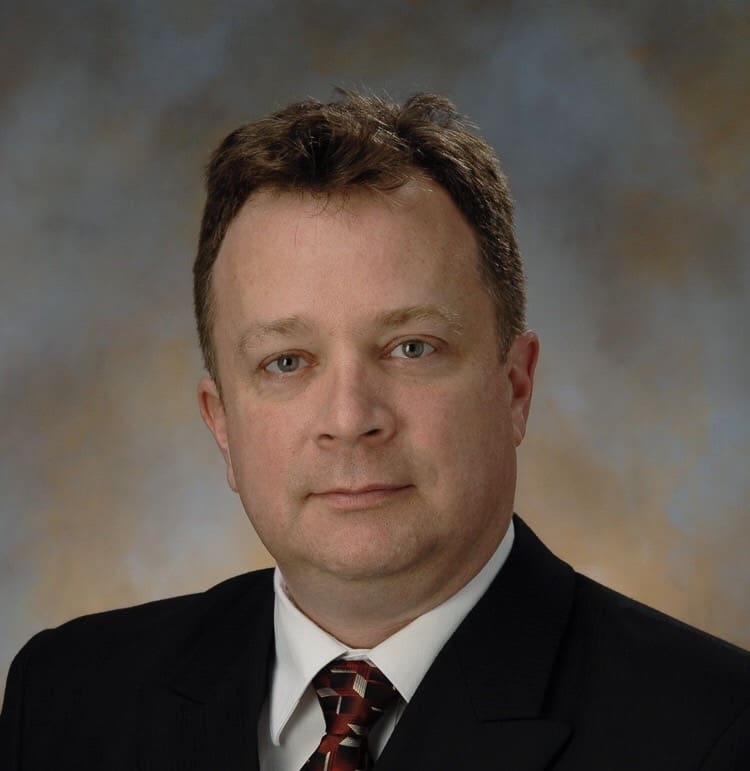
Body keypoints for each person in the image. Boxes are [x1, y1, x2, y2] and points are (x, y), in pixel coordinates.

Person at [1, 90, 748, 770]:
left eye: (411, 347)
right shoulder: (66, 699)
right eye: (286, 361)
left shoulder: (712, 731)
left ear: (514, 387)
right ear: (220, 422)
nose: (351, 419)